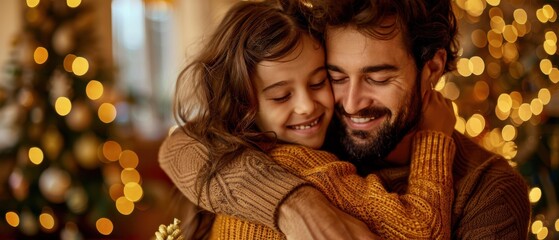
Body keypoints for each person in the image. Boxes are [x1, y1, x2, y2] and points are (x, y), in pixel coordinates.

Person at [159, 0, 531, 239]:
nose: (350, 103)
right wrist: (294, 204)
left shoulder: (490, 192)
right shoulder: (311, 140)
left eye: (378, 77)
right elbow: (180, 145)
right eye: (336, 76)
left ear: (431, 67)